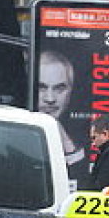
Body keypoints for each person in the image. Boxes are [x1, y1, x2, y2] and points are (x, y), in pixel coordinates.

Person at [37, 49, 89, 183]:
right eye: (41, 87)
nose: (50, 98)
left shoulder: (82, 137)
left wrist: (68, 145)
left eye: (59, 89)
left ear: (70, 91)